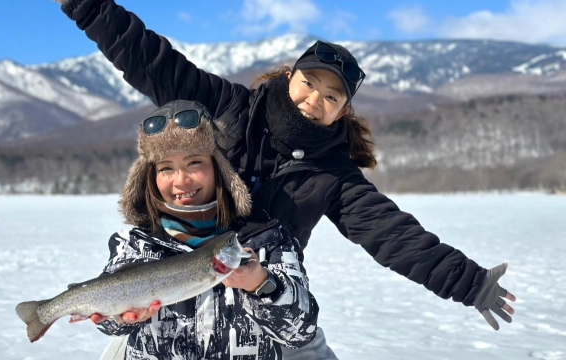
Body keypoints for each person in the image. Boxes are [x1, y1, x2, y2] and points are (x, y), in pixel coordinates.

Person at [53, 0, 517, 358]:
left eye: (333, 95)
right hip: (179, 279)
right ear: (290, 75)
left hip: (272, 297)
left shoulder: (335, 175)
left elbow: (395, 236)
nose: (317, 98)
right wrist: (90, 7)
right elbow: (150, 60)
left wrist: (469, 282)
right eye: (310, 82)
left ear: (344, 110)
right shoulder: (232, 107)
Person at [88, 99, 319, 360]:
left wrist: (261, 285)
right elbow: (105, 322)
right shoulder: (136, 245)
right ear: (150, 178)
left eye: (194, 163)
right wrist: (120, 316)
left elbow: (302, 331)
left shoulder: (266, 240)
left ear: (218, 167)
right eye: (165, 168)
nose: (181, 180)